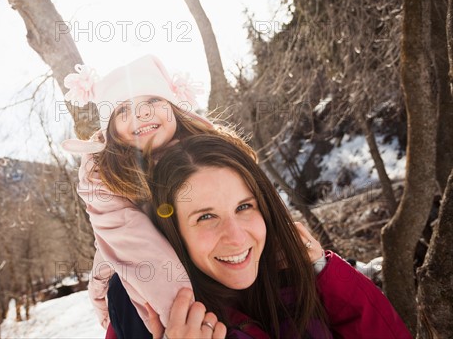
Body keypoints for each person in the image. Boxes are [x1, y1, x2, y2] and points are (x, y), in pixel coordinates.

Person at [144, 134, 412, 339]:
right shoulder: (146, 318)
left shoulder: (299, 280)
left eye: (244, 206)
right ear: (174, 232)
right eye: (205, 217)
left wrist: (326, 277)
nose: (237, 238)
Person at [61, 55, 250, 338]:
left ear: (173, 107)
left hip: (223, 264)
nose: (142, 114)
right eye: (124, 109)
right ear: (109, 129)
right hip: (153, 295)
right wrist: (184, 322)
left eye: (152, 101)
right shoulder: (104, 177)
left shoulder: (209, 149)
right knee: (125, 293)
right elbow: (140, 252)